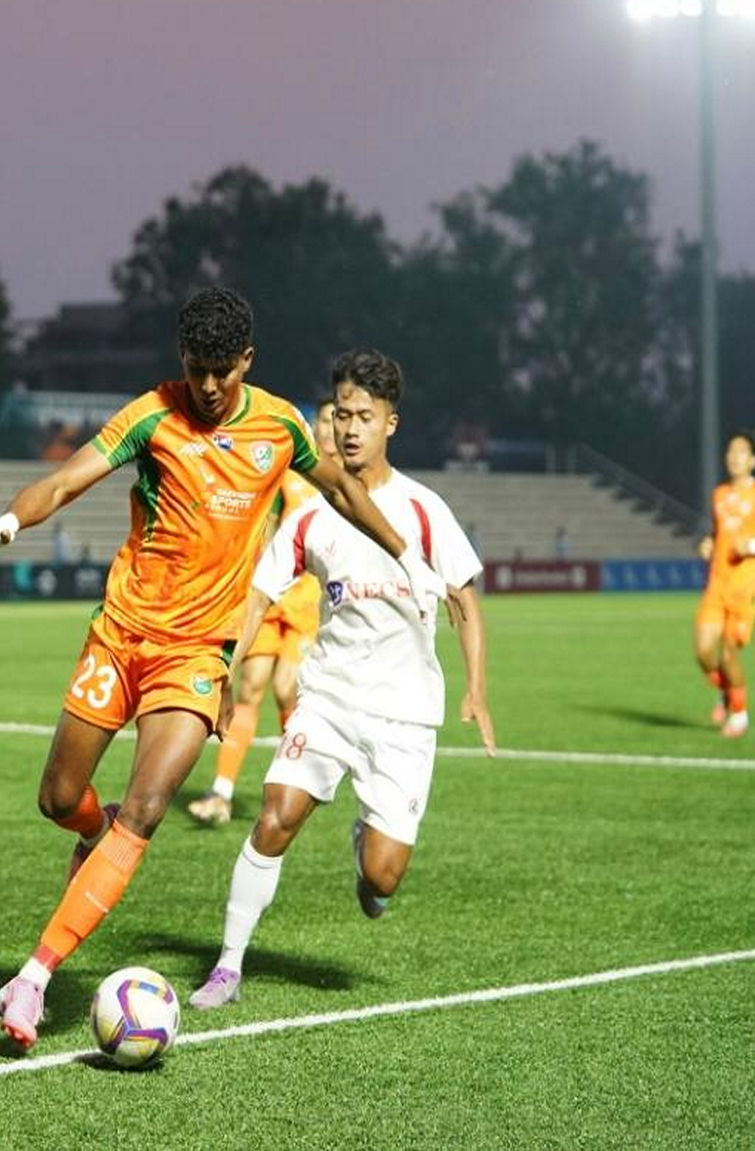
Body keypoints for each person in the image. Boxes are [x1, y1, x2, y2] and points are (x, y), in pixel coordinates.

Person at [0, 289, 445, 1051]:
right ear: (180, 361)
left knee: (147, 809)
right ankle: (95, 833)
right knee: (60, 799)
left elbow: (345, 490)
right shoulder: (152, 415)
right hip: (120, 636)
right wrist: (9, 519)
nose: (210, 386)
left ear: (246, 362)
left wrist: (405, 554)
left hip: (197, 655)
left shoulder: (281, 424)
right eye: (197, 370)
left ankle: (34, 977)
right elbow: (65, 480)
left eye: (223, 371)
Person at [189, 348, 495, 1011]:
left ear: (392, 423)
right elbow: (259, 598)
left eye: (364, 416)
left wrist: (476, 689)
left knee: (384, 877)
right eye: (341, 416)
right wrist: (223, 670)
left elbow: (467, 599)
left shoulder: (423, 510)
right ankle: (227, 966)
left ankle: (368, 854)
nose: (349, 429)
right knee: (275, 815)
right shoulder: (310, 515)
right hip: (326, 699)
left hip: (404, 715)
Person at [189, 394, 340, 827]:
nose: (328, 429)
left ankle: (299, 787)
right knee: (251, 685)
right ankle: (221, 794)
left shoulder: (345, 483)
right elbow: (269, 525)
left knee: (286, 688)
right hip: (274, 594)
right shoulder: (292, 476)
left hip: (312, 603)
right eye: (323, 421)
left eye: (335, 421)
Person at [694, 431, 755, 738]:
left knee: (729, 654)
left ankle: (740, 714)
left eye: (742, 452)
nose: (734, 457)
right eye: (731, 451)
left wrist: (753, 547)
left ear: (753, 461)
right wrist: (706, 544)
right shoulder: (718, 495)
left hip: (745, 587)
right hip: (716, 584)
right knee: (704, 653)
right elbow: (717, 532)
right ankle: (727, 692)